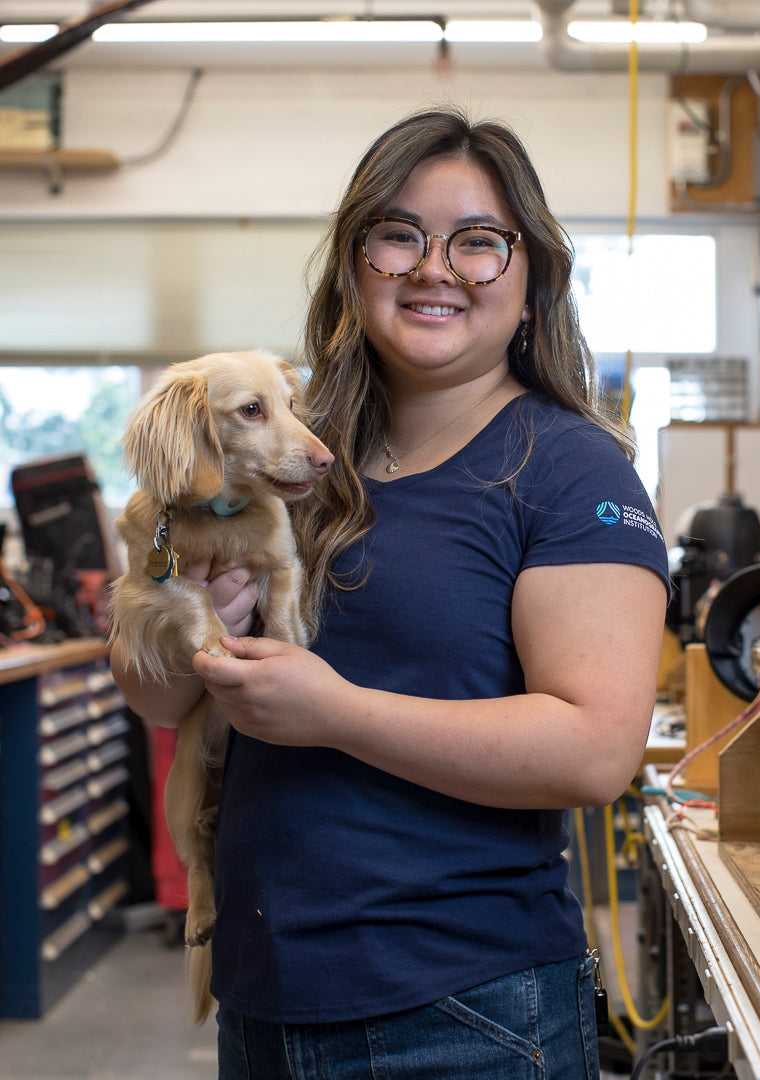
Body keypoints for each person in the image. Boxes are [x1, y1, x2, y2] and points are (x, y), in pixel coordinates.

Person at [111, 105, 669, 1080]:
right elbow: (157, 693)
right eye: (398, 235)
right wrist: (196, 621)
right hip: (266, 993)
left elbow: (594, 753)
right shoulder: (285, 451)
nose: (433, 268)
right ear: (354, 266)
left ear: (531, 281)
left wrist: (338, 714)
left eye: (479, 243)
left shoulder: (570, 473)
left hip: (461, 1011)